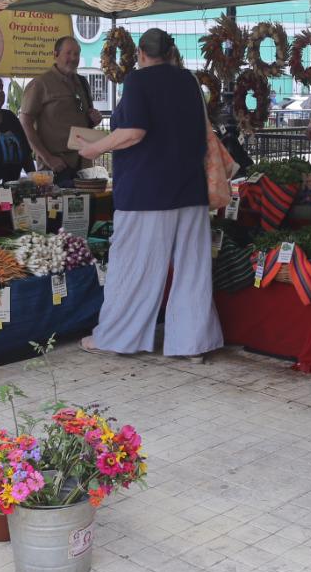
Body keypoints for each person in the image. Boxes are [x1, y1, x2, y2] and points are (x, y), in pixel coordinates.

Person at [78, 29, 222, 362]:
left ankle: (117, 338)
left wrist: (94, 148)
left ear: (141, 54)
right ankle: (193, 345)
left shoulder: (138, 81)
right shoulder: (188, 81)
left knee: (133, 267)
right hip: (189, 189)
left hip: (146, 192)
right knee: (192, 269)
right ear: (171, 53)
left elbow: (134, 132)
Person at [19, 36, 99, 184]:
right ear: (55, 55)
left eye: (77, 54)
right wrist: (48, 158)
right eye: (68, 53)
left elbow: (83, 119)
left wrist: (93, 120)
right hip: (56, 167)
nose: (73, 58)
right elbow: (25, 122)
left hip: (83, 166)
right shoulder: (40, 84)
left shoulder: (82, 83)